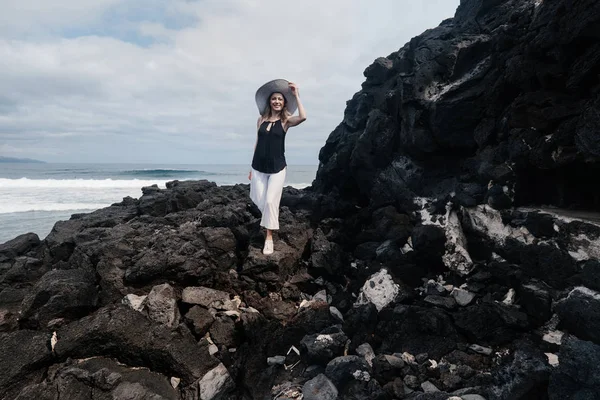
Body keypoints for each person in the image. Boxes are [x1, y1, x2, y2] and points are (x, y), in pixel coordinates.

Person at [249, 79, 306, 255]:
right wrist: (251, 168)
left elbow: (303, 117)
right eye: (274, 99)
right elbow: (257, 143)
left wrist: (297, 95)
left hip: (278, 167)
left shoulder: (285, 121)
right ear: (269, 101)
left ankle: (269, 237)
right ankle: (268, 220)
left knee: (270, 201)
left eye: (280, 99)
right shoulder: (261, 120)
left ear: (284, 103)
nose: (277, 102)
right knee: (259, 199)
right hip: (258, 166)